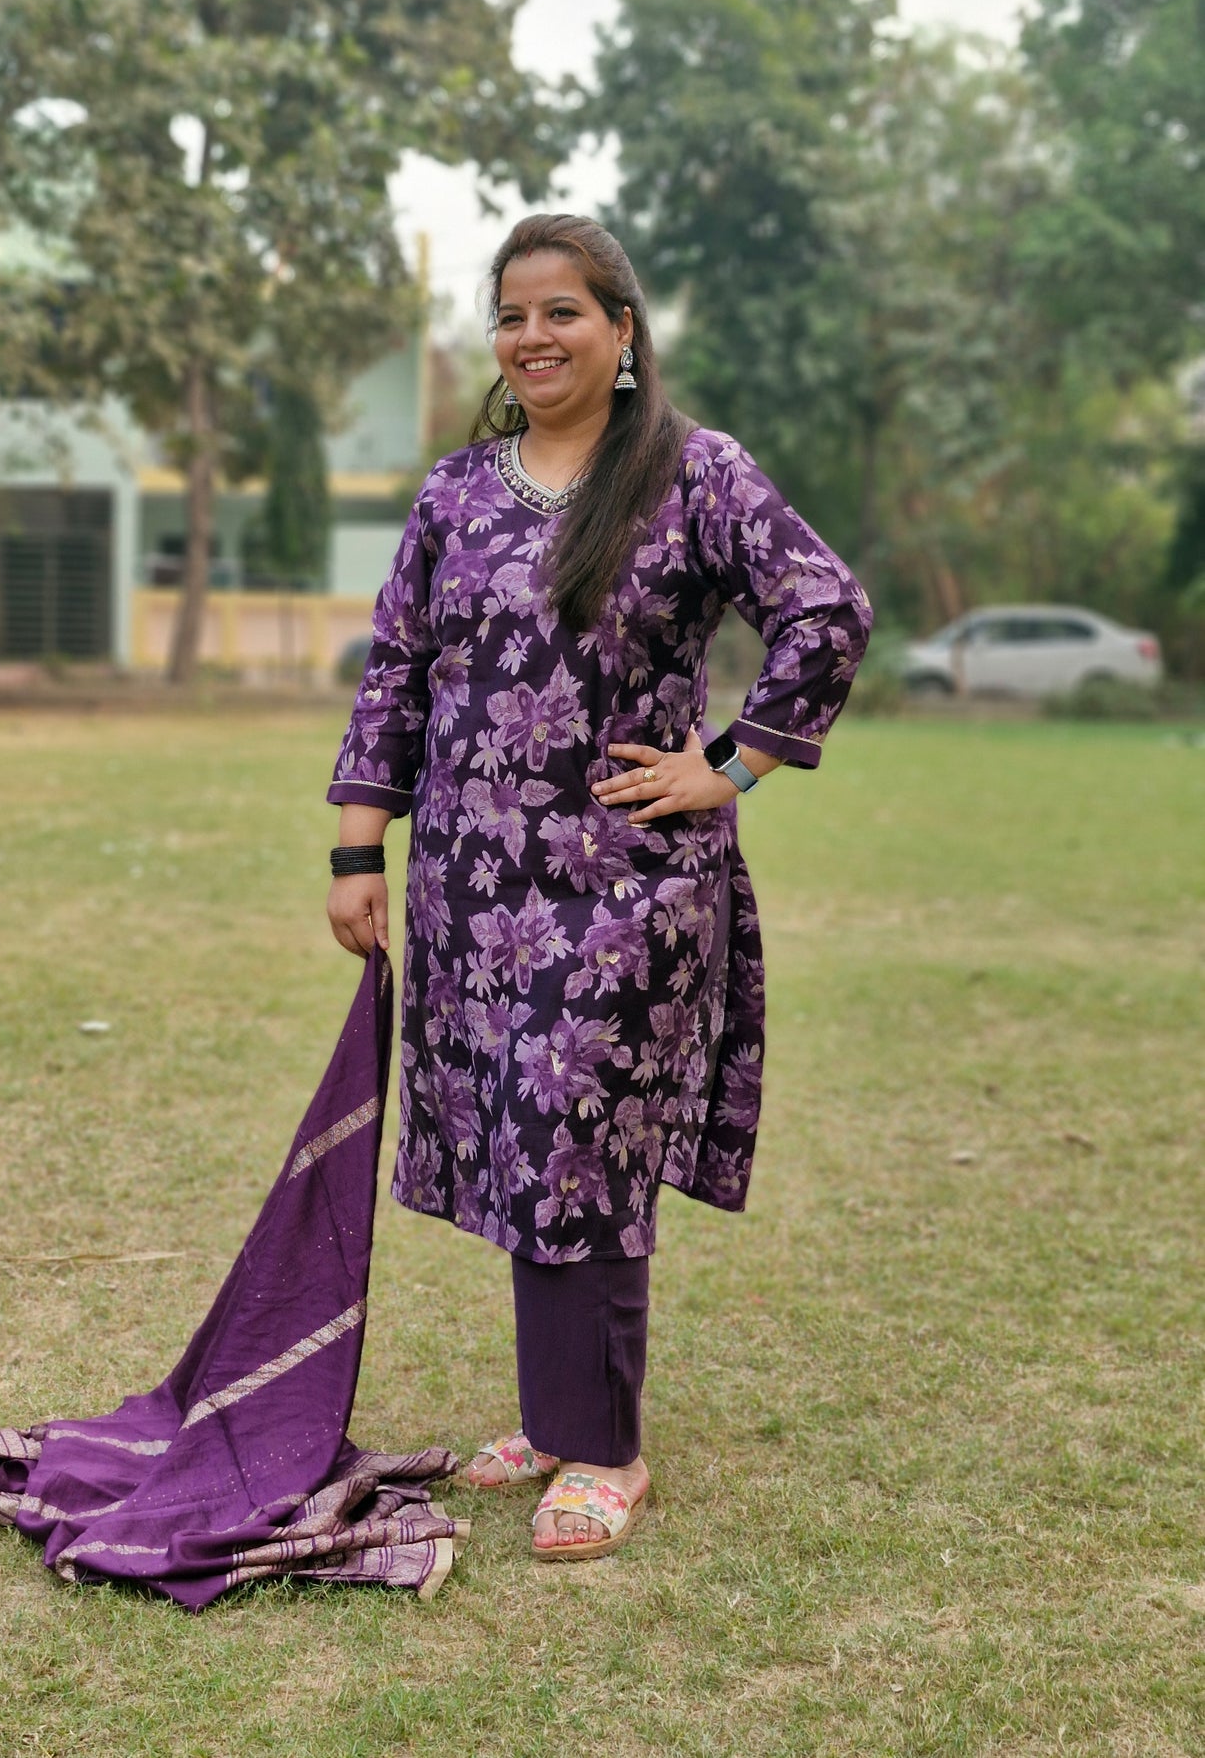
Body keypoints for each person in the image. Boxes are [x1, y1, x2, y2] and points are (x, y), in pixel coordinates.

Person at [325, 213, 871, 1561]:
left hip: (623, 882)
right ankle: (556, 1415)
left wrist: (729, 767)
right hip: (467, 878)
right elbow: (397, 669)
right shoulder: (457, 492)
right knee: (521, 1134)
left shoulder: (694, 473)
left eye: (562, 310)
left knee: (581, 1142)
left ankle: (608, 1454)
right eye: (511, 314)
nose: (532, 337)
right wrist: (356, 845)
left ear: (622, 331)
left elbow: (825, 609)